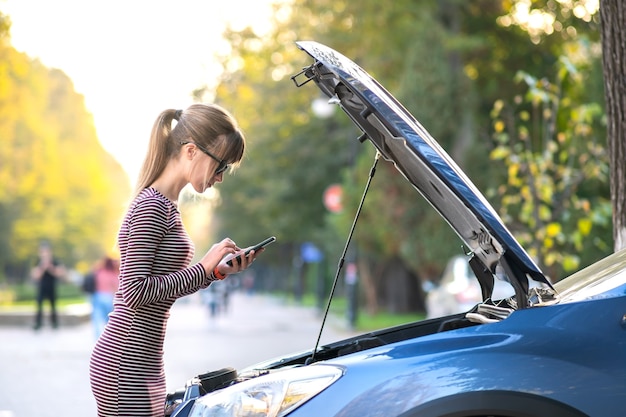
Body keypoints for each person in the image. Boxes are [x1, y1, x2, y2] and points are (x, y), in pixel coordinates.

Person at [89, 104, 262, 417]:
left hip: (143, 361)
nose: (220, 178)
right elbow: (135, 291)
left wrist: (216, 272)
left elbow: (162, 287)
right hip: (126, 364)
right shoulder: (151, 208)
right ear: (192, 151)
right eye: (220, 165)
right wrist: (203, 267)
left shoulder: (165, 206)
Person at [31, 241, 65, 330]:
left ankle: (54, 323)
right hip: (41, 287)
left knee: (53, 306)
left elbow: (59, 273)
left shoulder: (55, 261)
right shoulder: (38, 262)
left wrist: (50, 267)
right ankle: (38, 323)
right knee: (39, 306)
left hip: (52, 287)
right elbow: (35, 275)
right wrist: (42, 267)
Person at [90, 256, 120, 339]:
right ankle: (108, 336)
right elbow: (116, 286)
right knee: (108, 319)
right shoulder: (112, 273)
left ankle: (97, 337)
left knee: (97, 318)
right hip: (108, 297)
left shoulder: (99, 271)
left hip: (98, 296)